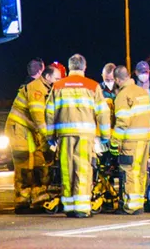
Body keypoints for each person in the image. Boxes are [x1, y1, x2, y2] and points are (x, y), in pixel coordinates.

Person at [45, 53, 111, 218]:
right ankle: (81, 208)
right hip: (85, 135)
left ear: (69, 68)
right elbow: (103, 112)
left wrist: (50, 135)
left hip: (64, 135)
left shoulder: (58, 86)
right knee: (82, 169)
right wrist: (104, 135)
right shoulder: (92, 86)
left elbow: (49, 112)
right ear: (84, 67)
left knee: (67, 169)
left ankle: (69, 206)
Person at [6, 63, 60, 213]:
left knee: (38, 163)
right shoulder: (37, 88)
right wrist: (48, 137)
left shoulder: (47, 89)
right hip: (19, 129)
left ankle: (38, 199)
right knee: (24, 165)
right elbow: (38, 116)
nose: (58, 81)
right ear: (47, 77)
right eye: (57, 78)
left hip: (30, 131)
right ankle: (22, 202)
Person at [109, 66, 150, 215]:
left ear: (117, 79)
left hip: (131, 141)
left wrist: (114, 142)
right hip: (145, 139)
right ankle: (139, 203)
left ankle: (131, 206)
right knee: (140, 171)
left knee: (130, 171)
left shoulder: (123, 95)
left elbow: (122, 121)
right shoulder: (142, 92)